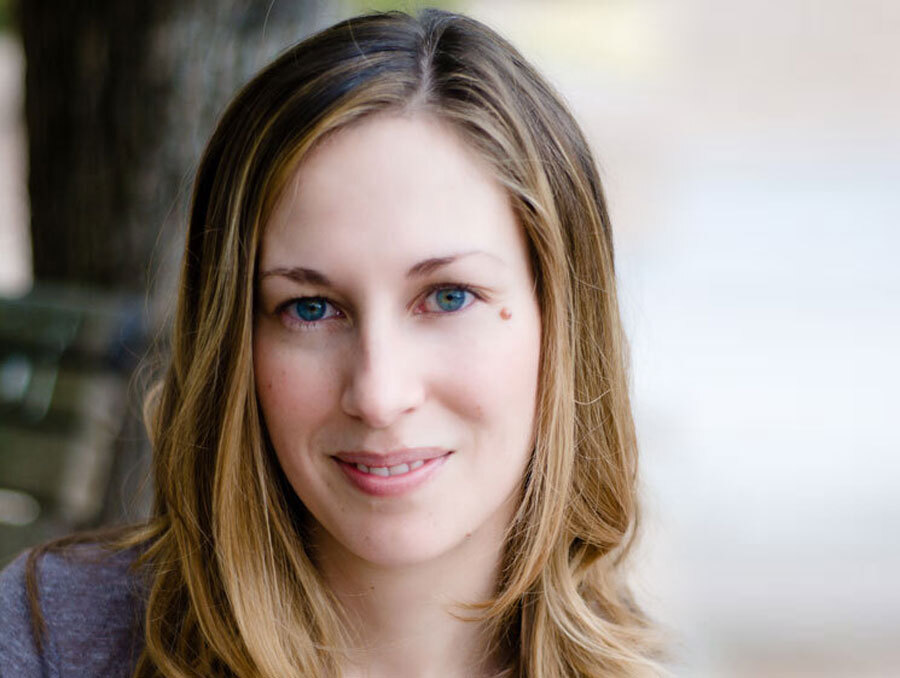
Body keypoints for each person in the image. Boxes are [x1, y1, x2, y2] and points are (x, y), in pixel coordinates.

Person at [0, 8, 662, 677]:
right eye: (310, 308)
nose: (378, 394)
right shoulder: (53, 643)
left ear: (565, 322)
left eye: (449, 296)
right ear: (236, 349)